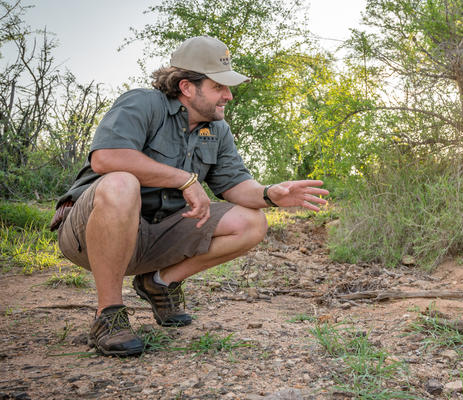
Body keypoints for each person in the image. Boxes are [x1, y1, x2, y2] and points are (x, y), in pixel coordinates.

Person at [50, 36, 329, 356]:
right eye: (219, 87)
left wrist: (270, 194)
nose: (229, 95)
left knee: (251, 221)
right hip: (89, 234)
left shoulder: (218, 130)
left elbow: (236, 186)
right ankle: (109, 314)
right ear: (186, 87)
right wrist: (184, 179)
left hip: (156, 235)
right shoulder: (142, 103)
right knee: (121, 183)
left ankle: (158, 282)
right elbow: (106, 158)